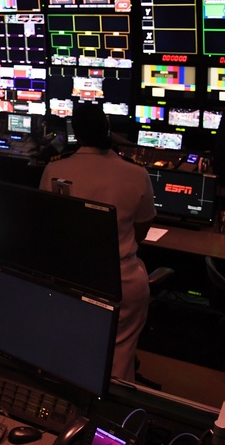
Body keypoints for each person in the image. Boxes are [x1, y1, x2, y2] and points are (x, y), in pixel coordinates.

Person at [38, 102, 156, 382]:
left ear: (76, 133)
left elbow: (48, 227)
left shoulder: (54, 170)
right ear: (108, 130)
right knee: (120, 356)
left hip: (68, 278)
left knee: (69, 352)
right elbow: (142, 230)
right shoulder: (136, 173)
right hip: (120, 280)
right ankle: (114, 417)